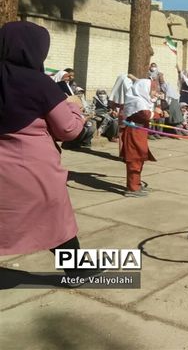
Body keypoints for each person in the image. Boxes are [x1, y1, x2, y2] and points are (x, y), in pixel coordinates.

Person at [0, 21, 104, 282]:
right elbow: (68, 130)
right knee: (54, 218)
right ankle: (78, 270)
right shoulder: (39, 83)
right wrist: (74, 107)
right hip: (32, 169)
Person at [121, 78, 156, 197]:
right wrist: (158, 113)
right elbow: (145, 115)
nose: (154, 92)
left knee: (140, 159)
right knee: (134, 160)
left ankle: (136, 184)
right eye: (152, 90)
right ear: (144, 89)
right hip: (134, 133)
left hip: (140, 133)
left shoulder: (143, 101)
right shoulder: (137, 102)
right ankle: (132, 189)